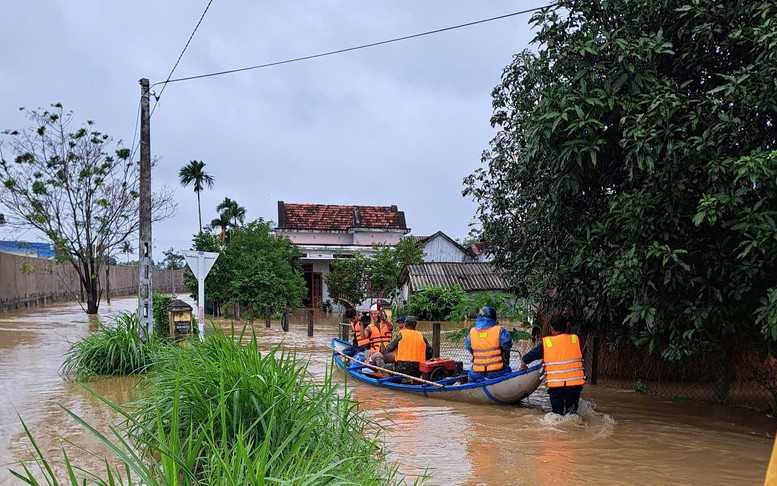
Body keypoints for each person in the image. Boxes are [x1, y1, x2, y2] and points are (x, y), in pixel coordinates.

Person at [520, 314, 585, 415]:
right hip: (574, 385)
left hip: (556, 386)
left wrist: (523, 366)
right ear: (566, 327)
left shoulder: (547, 343)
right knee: (572, 414)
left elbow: (527, 358)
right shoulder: (574, 340)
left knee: (557, 415)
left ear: (551, 328)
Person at [465, 306, 513, 383]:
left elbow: (469, 348)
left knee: (471, 376)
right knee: (508, 370)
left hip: (477, 372)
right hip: (497, 372)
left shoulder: (472, 332)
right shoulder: (500, 331)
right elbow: (507, 344)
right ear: (494, 318)